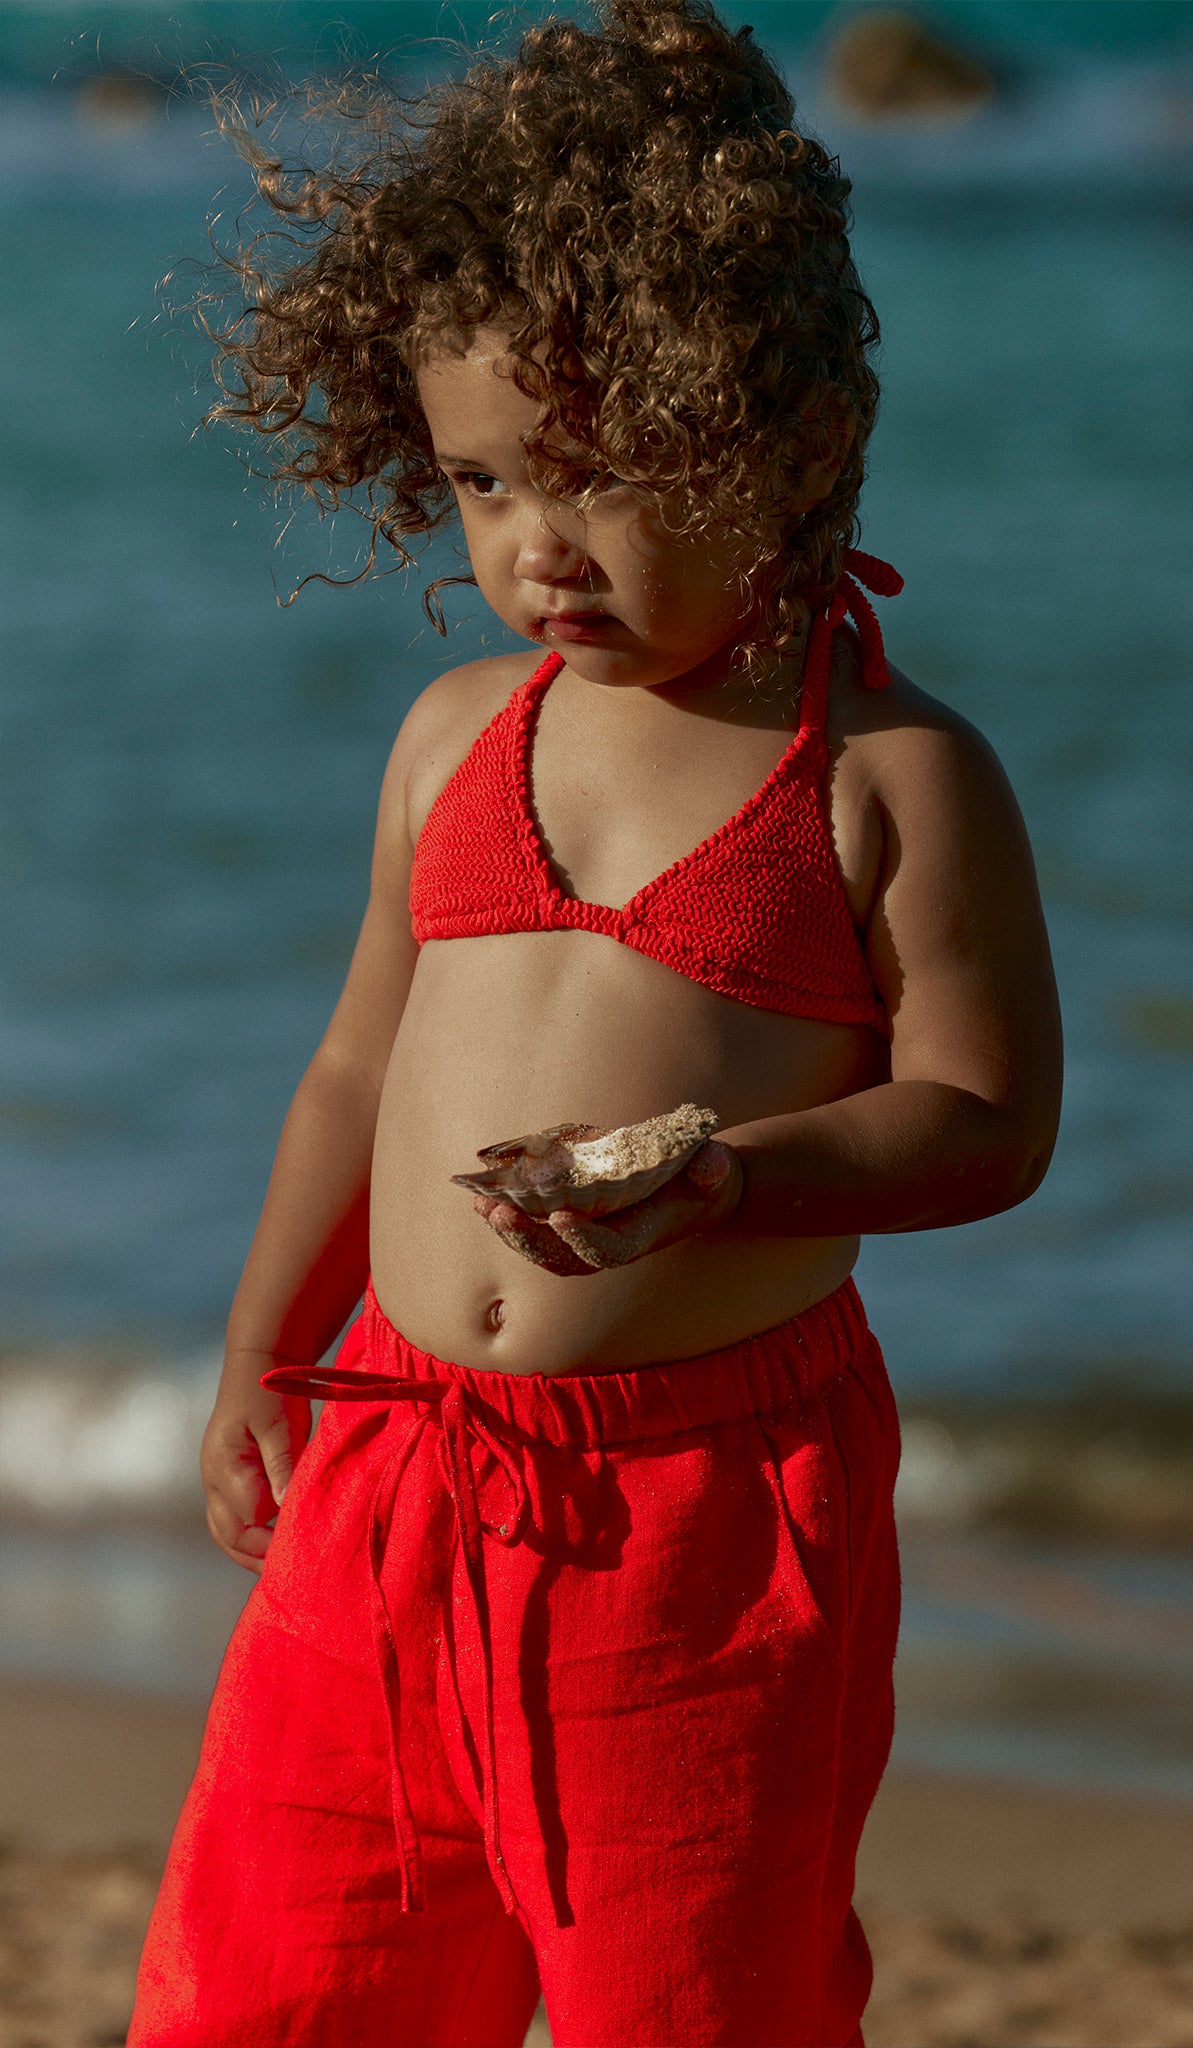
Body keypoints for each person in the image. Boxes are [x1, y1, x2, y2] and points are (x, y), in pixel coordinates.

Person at [128, 3, 1061, 2043]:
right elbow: (359, 1066)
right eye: (481, 478)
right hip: (390, 1472)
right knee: (287, 1973)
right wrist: (262, 1350)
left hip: (700, 1521)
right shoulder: (459, 735)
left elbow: (983, 1119)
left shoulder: (881, 777)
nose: (534, 544)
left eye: (607, 476)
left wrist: (728, 1176)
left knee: (689, 1995)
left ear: (797, 437)